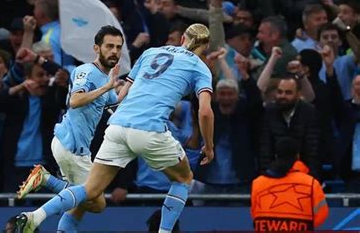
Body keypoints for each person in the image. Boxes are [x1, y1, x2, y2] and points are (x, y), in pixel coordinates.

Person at [14, 23, 215, 233]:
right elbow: (205, 112)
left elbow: (122, 94)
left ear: (183, 38)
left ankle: (34, 216)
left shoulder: (151, 52)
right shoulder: (200, 67)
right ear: (206, 46)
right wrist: (208, 146)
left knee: (91, 191)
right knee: (183, 179)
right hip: (148, 129)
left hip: (117, 126)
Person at [15, 25, 123, 231]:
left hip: (74, 146)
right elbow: (75, 100)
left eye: (118, 47)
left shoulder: (104, 77)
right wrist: (107, 87)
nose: (114, 51)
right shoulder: (86, 71)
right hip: (71, 145)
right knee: (98, 202)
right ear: (96, 48)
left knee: (78, 205)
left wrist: (131, 84)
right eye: (109, 46)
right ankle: (43, 187)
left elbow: (113, 100)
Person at [251, 137, 329, 231]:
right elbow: (322, 213)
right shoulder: (311, 183)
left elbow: (255, 214)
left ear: (276, 156)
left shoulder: (257, 183)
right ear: (298, 156)